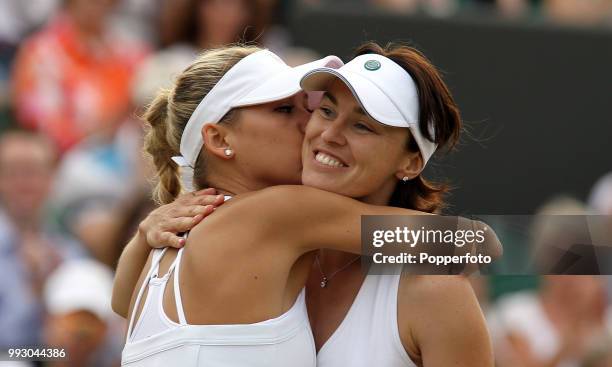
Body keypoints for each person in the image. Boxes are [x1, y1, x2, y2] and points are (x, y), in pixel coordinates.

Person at [112, 45, 501, 366]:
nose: (314, 126)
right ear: (218, 139)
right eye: (286, 110)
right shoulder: (281, 215)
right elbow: (473, 242)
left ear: (411, 161)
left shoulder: (167, 246)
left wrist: (144, 236)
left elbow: (119, 301)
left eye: (362, 124)